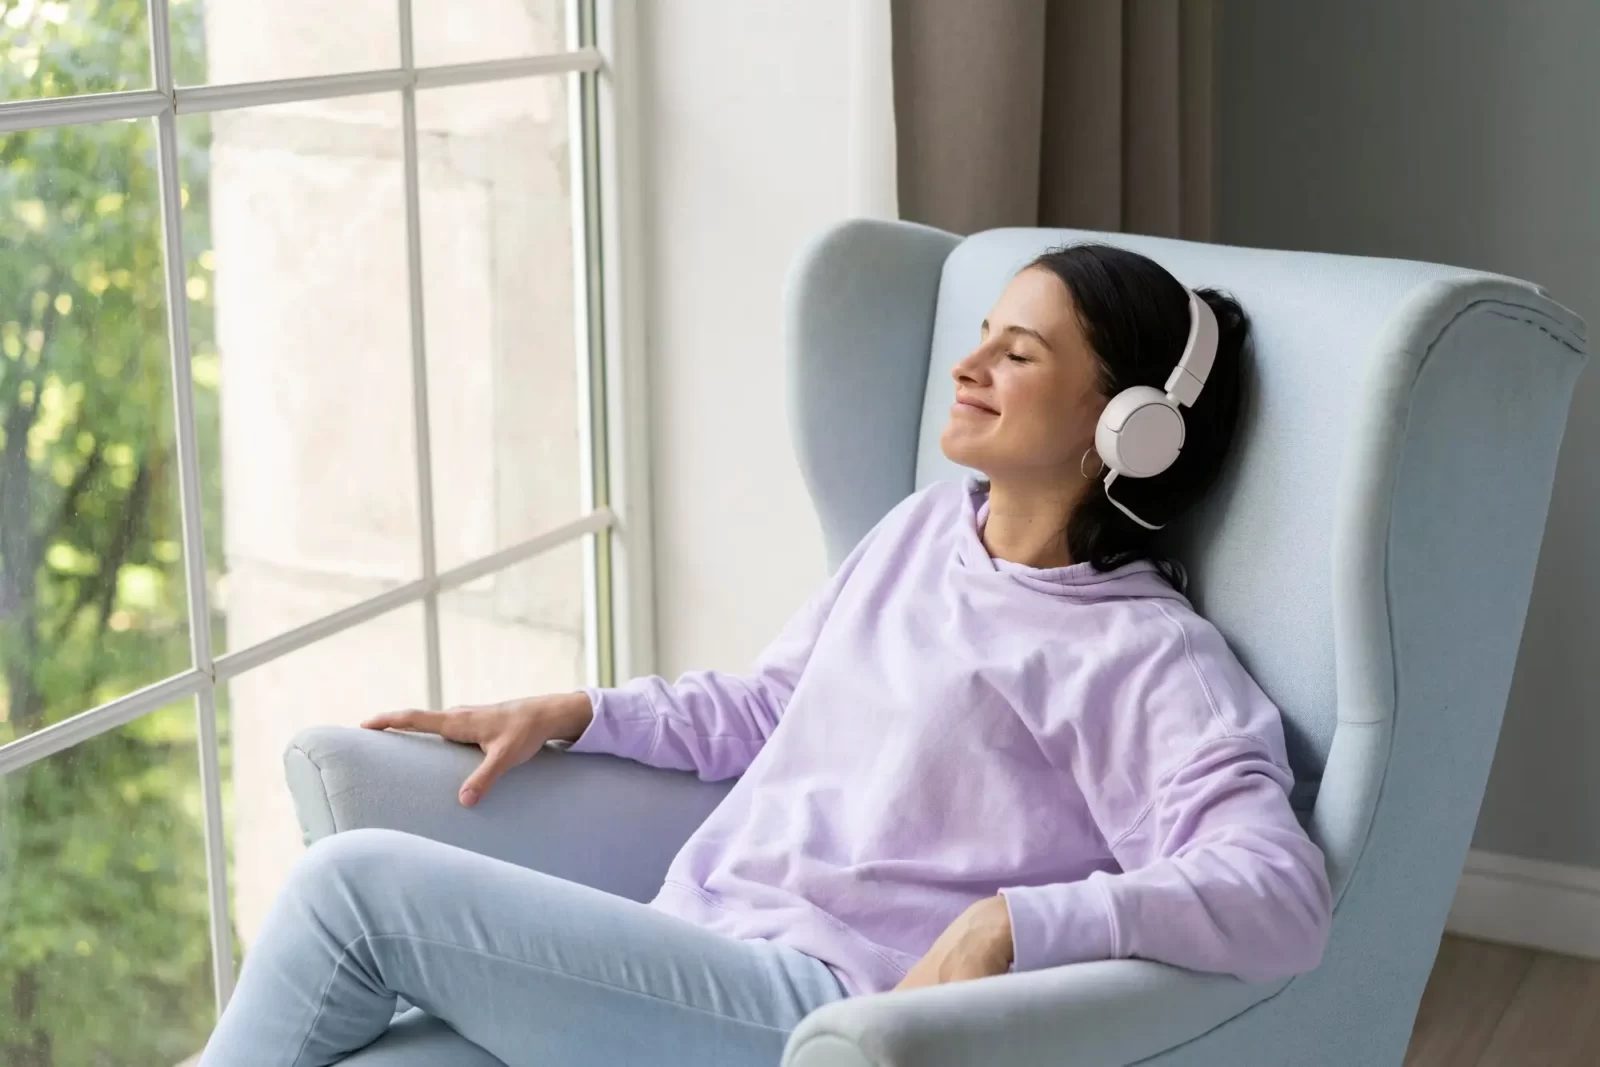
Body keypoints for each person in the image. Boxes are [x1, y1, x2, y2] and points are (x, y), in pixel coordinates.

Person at [202, 244, 1333, 1067]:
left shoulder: (1145, 656)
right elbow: (774, 704)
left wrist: (1013, 921)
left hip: (818, 1013)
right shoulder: (925, 529)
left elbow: (1280, 893)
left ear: (1126, 426)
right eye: (980, 333)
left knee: (355, 890)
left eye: (1017, 351)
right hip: (691, 938)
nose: (968, 363)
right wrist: (579, 709)